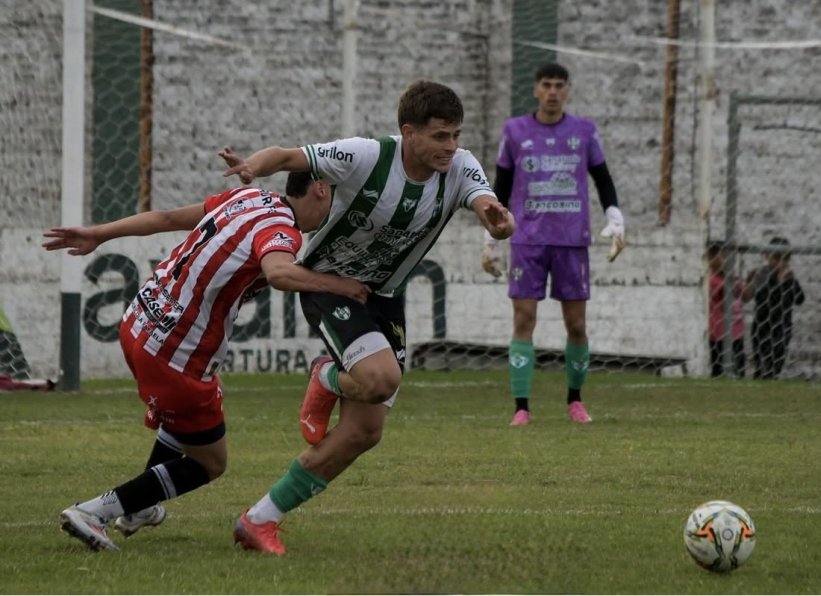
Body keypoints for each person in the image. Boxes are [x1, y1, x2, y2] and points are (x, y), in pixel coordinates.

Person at [219, 80, 515, 555]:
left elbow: (486, 202)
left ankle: (259, 519)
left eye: (456, 135)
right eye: (440, 136)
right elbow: (288, 155)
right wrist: (253, 165)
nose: (451, 146)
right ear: (409, 132)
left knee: (365, 431)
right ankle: (329, 376)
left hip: (386, 296)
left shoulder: (459, 166)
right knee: (380, 379)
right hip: (327, 284)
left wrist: (498, 219)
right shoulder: (365, 156)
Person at [42, 172, 370, 551]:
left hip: (139, 321)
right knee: (210, 463)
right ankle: (94, 511)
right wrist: (340, 285)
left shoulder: (247, 197)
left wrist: (100, 234)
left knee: (194, 413)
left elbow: (166, 218)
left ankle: (140, 508)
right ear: (320, 188)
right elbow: (279, 272)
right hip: (175, 356)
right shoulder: (283, 229)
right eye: (337, 200)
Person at [480, 62, 625, 426]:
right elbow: (502, 186)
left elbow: (602, 178)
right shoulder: (514, 131)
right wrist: (490, 238)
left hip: (572, 240)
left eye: (560, 85)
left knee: (576, 325)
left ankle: (575, 401)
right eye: (546, 84)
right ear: (536, 89)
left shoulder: (584, 131)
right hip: (527, 240)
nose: (553, 92)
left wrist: (615, 217)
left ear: (568, 90)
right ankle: (521, 408)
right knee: (523, 319)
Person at [742, 237, 805, 379]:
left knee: (776, 364)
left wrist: (791, 283)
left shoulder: (789, 278)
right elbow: (760, 299)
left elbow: (800, 299)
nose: (781, 263)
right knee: (762, 364)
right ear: (767, 256)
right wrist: (777, 283)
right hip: (762, 326)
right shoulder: (761, 274)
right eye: (776, 258)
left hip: (783, 327)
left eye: (786, 259)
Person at [706, 241, 747, 378]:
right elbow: (725, 291)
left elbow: (745, 296)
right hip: (719, 335)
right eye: (723, 256)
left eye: (728, 256)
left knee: (739, 367)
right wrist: (733, 281)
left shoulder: (733, 276)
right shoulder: (712, 280)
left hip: (737, 332)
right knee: (719, 369)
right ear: (711, 260)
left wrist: (752, 281)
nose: (727, 260)